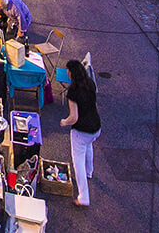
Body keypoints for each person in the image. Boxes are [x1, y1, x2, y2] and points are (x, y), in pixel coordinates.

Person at [61, 59, 102, 207]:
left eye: (68, 71)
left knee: (77, 162)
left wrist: (64, 122)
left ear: (72, 73)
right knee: (89, 146)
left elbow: (74, 118)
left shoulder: (73, 91)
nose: (67, 73)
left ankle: (84, 197)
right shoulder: (90, 82)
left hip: (81, 130)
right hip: (96, 126)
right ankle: (90, 171)